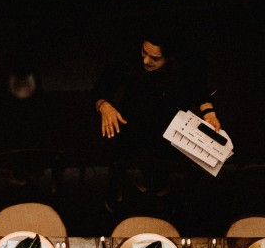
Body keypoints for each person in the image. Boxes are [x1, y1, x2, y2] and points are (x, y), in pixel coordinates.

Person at [93, 31, 221, 205]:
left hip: (172, 130)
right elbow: (99, 89)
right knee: (126, 173)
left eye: (155, 58)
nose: (146, 60)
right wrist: (104, 106)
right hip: (133, 126)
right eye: (144, 53)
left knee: (181, 183)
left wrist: (209, 113)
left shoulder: (186, 64)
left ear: (170, 58)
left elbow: (199, 90)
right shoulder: (129, 58)